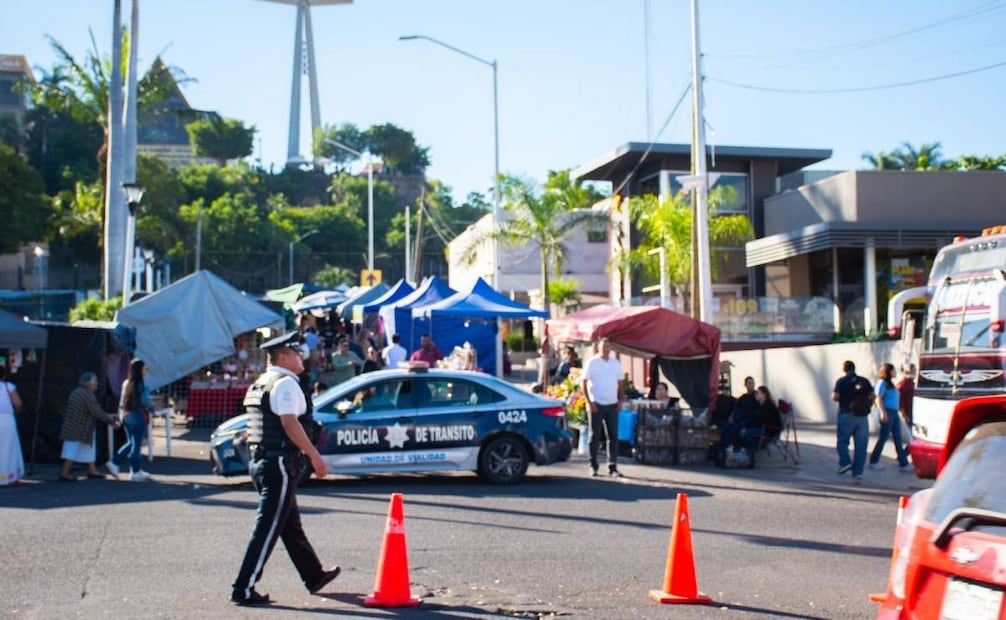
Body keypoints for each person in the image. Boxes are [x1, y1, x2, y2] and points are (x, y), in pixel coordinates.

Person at [231, 332, 339, 606]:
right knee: (267, 528)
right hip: (279, 462)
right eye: (295, 352)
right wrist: (314, 455)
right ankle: (243, 588)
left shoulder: (261, 383)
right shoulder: (285, 384)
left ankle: (313, 575)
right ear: (282, 357)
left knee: (290, 525)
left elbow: (258, 423)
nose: (300, 356)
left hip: (263, 461)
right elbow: (290, 423)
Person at [59, 372, 121, 482]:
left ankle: (92, 470)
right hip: (78, 428)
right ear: (88, 383)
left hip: (76, 427)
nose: (97, 384)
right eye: (95, 381)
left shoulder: (78, 392)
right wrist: (112, 422)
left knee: (87, 449)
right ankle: (65, 473)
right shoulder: (87, 395)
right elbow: (97, 412)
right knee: (72, 451)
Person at [581, 337, 625, 477]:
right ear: (598, 348)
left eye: (608, 346)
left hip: (612, 404)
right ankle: (593, 465)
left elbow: (620, 383)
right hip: (597, 404)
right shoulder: (592, 363)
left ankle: (612, 466)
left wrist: (620, 400)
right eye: (603, 346)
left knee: (612, 436)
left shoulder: (615, 363)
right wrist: (589, 401)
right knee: (594, 435)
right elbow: (584, 382)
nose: (606, 349)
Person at [107, 359, 155, 481]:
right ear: (140, 370)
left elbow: (122, 401)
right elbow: (145, 400)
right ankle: (135, 470)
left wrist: (121, 415)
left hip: (126, 415)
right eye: (145, 368)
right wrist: (151, 408)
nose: (146, 370)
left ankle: (114, 463)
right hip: (137, 415)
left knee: (131, 442)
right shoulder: (141, 385)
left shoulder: (126, 383)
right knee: (136, 444)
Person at [833, 360, 873, 482]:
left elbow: (836, 397)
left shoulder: (841, 381)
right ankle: (858, 472)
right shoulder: (864, 381)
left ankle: (845, 462)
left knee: (842, 441)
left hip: (846, 414)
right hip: (862, 416)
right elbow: (873, 395)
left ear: (844, 369)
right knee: (861, 445)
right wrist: (867, 406)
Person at [868, 363, 913, 472]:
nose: (895, 372)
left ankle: (903, 463)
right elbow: (878, 399)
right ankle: (874, 460)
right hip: (886, 411)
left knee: (897, 438)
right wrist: (883, 413)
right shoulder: (882, 383)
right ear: (888, 371)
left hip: (893, 412)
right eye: (893, 370)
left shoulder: (891, 384)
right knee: (884, 437)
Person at [718, 376, 757, 452]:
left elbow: (755, 412)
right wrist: (731, 416)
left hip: (747, 419)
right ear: (745, 385)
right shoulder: (744, 397)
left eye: (752, 383)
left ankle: (724, 449)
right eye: (749, 383)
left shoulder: (755, 396)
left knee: (734, 429)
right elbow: (736, 407)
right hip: (737, 417)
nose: (751, 385)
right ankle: (722, 447)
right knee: (724, 427)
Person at [0, 365, 24, 487]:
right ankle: (9, 477)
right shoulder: (8, 386)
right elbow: (18, 403)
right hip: (6, 419)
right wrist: (16, 412)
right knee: (9, 448)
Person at [897, 362, 916, 433]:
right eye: (913, 370)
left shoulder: (911, 382)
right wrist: (904, 415)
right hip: (906, 411)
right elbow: (899, 401)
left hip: (912, 410)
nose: (915, 373)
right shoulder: (903, 384)